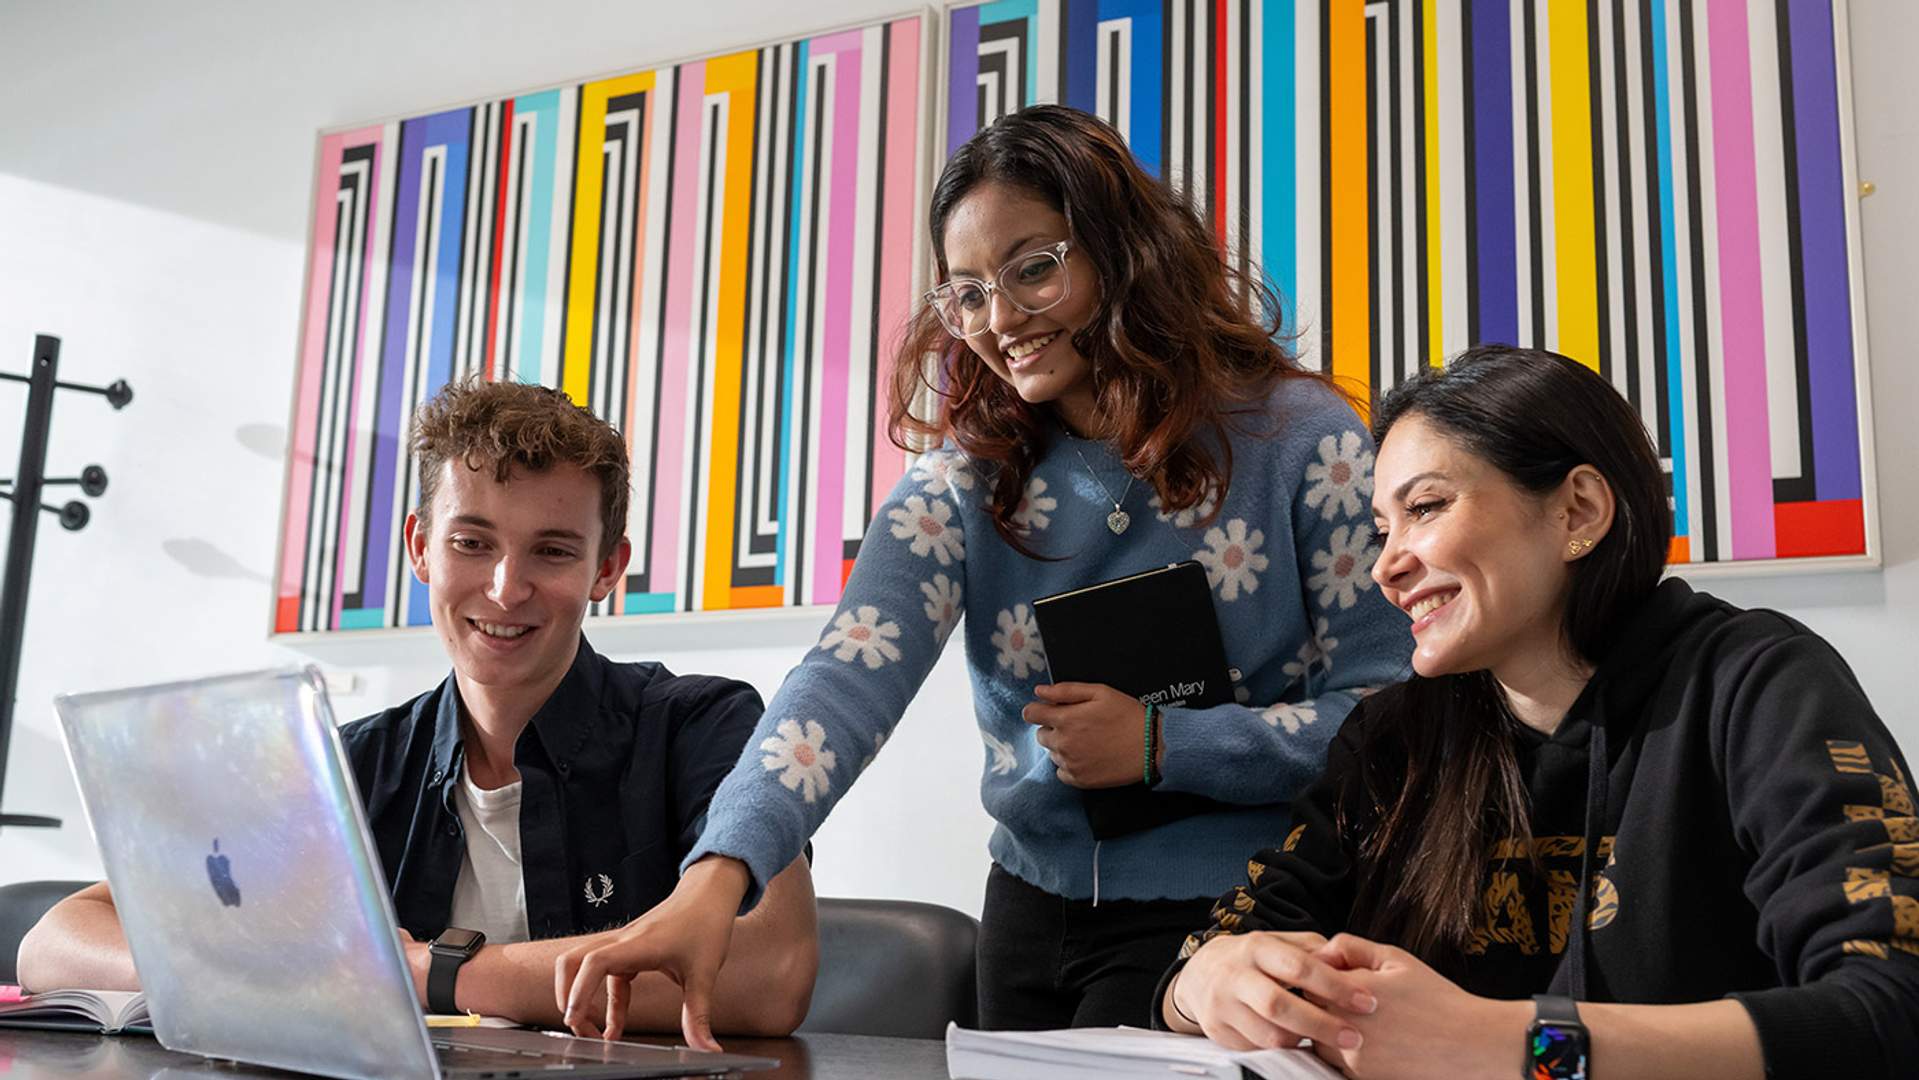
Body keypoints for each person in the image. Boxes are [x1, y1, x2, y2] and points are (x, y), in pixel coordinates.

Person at [551, 104, 1411, 1045]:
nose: (997, 321)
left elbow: (1389, 717)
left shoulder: (1298, 440)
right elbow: (844, 682)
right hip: (1027, 918)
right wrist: (716, 878)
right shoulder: (964, 482)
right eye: (965, 293)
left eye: (1032, 269)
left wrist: (1170, 744)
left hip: (1239, 915)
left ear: (1125, 252)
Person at [1155, 346, 1919, 1079]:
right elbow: (1228, 945)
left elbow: (1889, 1009)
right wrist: (1206, 981)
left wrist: (1516, 1047)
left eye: (1425, 507)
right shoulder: (1392, 738)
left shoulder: (1754, 684)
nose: (1386, 565)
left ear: (1577, 510)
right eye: (1380, 530)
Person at [17, 377, 818, 1040]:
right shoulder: (345, 763)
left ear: (608, 569)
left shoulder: (703, 725)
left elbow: (768, 973)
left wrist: (424, 974)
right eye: (471, 542)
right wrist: (287, 975)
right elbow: (57, 943)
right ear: (418, 548)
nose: (506, 588)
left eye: (552, 550)